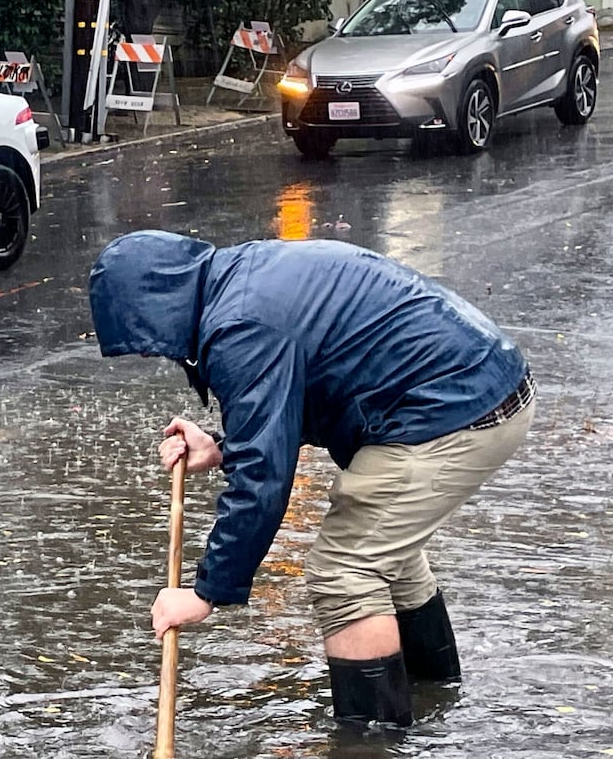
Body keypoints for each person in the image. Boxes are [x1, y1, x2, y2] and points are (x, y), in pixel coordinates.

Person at [86, 230, 534, 727]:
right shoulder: (240, 279)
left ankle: (372, 742)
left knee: (345, 570)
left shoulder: (239, 327)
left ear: (158, 308)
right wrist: (221, 444)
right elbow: (288, 404)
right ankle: (437, 700)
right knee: (384, 551)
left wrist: (203, 593)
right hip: (483, 384)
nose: (153, 356)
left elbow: (263, 477)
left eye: (145, 341)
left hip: (454, 407)